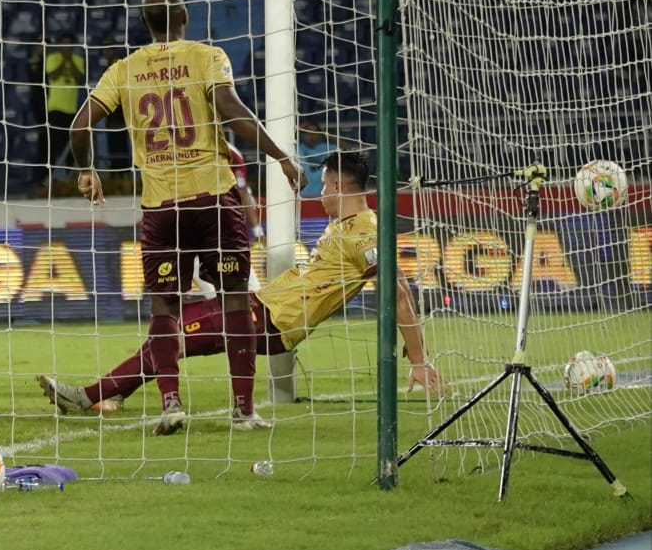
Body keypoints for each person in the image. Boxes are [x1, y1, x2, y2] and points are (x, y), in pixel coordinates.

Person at [63, 0, 304, 434]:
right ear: (184, 18)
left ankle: (171, 404)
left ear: (146, 23)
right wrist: (281, 156)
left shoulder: (124, 69)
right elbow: (232, 111)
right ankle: (243, 409)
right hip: (213, 198)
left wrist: (87, 171)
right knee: (235, 298)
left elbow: (80, 126)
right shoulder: (205, 56)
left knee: (165, 305)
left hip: (160, 207)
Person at [39, 152, 442, 416]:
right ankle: (113, 393)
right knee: (169, 327)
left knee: (174, 333)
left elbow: (399, 290)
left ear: (337, 186)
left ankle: (86, 397)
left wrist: (419, 357)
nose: (320, 195)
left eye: (323, 187)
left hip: (272, 321)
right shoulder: (347, 226)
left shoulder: (365, 234)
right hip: (261, 303)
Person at [40, 34, 84, 189]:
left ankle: (72, 180)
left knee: (71, 148)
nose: (66, 47)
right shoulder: (52, 58)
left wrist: (70, 60)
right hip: (55, 108)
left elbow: (80, 79)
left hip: (72, 110)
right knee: (55, 146)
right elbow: (52, 75)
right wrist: (64, 60)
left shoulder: (78, 60)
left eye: (69, 44)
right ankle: (50, 180)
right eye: (64, 44)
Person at [297, 120, 338, 197]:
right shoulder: (297, 148)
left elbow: (349, 149)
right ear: (302, 135)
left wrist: (327, 135)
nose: (311, 135)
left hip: (322, 196)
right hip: (302, 195)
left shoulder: (328, 147)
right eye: (308, 132)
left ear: (319, 135)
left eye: (314, 132)